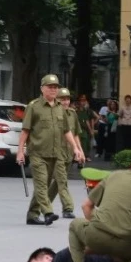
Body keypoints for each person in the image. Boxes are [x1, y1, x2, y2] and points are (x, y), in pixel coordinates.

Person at [17, 74, 84, 226]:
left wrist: (75, 148)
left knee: (44, 185)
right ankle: (48, 212)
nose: (53, 90)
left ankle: (32, 215)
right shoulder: (34, 106)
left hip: (55, 154)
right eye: (50, 87)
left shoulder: (60, 108)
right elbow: (25, 131)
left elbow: (67, 131)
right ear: (42, 89)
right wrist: (20, 151)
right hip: (38, 153)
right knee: (41, 184)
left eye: (55, 87)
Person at [52, 88, 83, 219]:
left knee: (57, 182)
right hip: (56, 153)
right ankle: (68, 208)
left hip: (69, 153)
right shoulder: (52, 113)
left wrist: (80, 150)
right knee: (62, 180)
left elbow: (75, 134)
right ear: (56, 100)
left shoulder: (72, 114)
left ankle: (42, 204)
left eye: (67, 99)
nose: (65, 102)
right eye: (62, 99)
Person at [76, 95, 98, 162]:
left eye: (84, 101)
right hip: (78, 129)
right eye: (81, 101)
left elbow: (88, 121)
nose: (83, 102)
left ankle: (86, 156)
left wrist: (91, 129)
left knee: (86, 143)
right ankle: (79, 156)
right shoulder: (76, 111)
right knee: (80, 143)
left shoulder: (87, 111)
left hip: (85, 129)